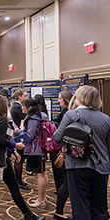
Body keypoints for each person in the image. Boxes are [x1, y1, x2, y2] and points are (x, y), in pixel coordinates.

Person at [0, 95, 44, 220]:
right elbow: (1, 140)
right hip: (0, 160)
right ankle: (29, 215)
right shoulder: (2, 120)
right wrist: (16, 145)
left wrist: (13, 151)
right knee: (14, 188)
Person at [53, 86, 110, 220]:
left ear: (79, 99)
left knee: (80, 205)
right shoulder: (106, 119)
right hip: (101, 167)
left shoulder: (71, 115)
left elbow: (57, 137)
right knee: (99, 206)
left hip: (77, 165)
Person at [17, 99, 49, 208]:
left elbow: (29, 137)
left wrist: (18, 131)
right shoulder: (40, 116)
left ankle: (40, 199)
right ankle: (43, 198)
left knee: (39, 174)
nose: (22, 108)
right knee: (42, 173)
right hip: (39, 149)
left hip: (35, 150)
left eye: (24, 106)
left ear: (29, 108)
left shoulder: (33, 119)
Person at [52, 90, 73, 220]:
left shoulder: (68, 113)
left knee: (66, 181)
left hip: (66, 149)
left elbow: (58, 133)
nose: (58, 101)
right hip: (68, 150)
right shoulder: (67, 111)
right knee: (67, 181)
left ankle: (59, 211)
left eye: (60, 98)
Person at [10, 89, 30, 190]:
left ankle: (18, 180)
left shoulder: (15, 106)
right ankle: (18, 181)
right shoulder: (17, 107)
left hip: (19, 134)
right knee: (19, 159)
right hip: (20, 135)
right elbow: (26, 118)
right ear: (19, 97)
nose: (27, 98)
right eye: (25, 96)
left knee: (20, 158)